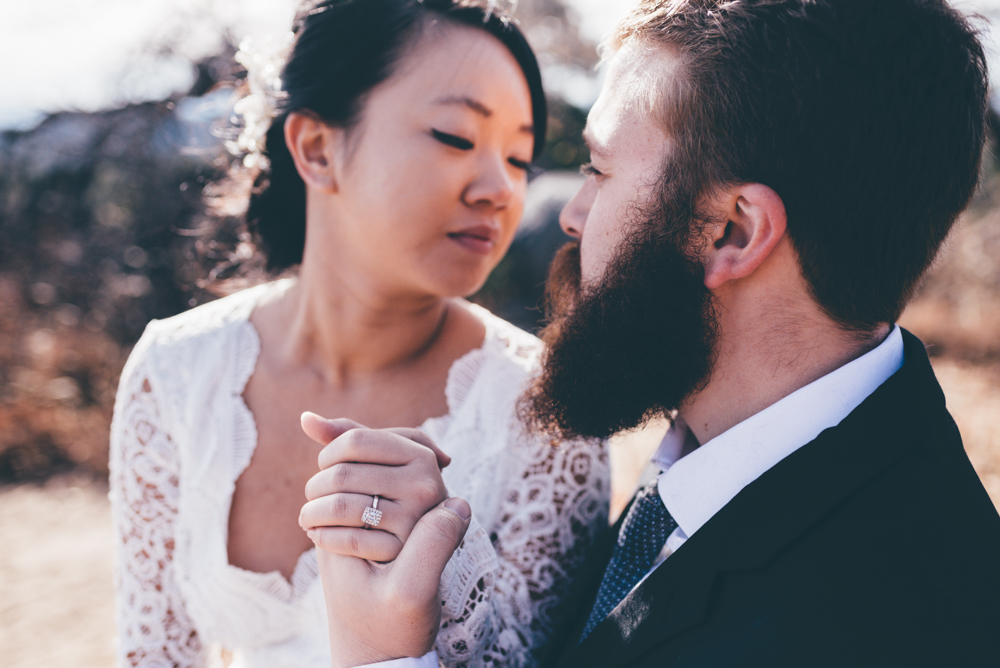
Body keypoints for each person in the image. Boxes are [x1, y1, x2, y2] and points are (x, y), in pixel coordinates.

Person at [303, 0, 1000, 665]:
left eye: (599, 171)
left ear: (732, 232)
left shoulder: (900, 620)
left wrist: (383, 653)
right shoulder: (716, 455)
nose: (571, 215)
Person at [108, 1, 609, 666]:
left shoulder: (550, 412)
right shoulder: (174, 373)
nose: (500, 189)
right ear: (317, 147)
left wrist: (443, 568)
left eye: (520, 158)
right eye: (458, 137)